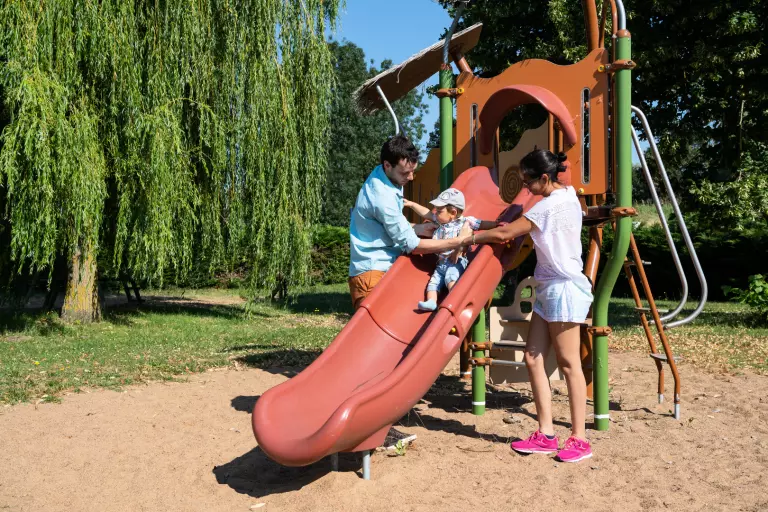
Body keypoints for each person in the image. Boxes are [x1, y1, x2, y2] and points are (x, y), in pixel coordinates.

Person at [458, 149, 594, 463]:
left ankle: (580, 439)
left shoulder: (549, 205)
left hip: (563, 289)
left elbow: (506, 232)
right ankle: (546, 434)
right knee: (533, 358)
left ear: (545, 178)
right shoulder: (568, 195)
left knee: (569, 363)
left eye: (528, 181)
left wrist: (467, 238)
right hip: (548, 288)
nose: (525, 188)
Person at [348, 135, 468, 310]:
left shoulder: (386, 175)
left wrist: (418, 228)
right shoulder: (382, 197)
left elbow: (387, 223)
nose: (411, 177)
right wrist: (459, 241)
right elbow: (413, 246)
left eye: (413, 171)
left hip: (383, 266)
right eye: (405, 173)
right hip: (372, 274)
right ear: (387, 165)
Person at [403, 188, 498, 311]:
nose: (435, 213)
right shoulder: (440, 221)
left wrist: (496, 225)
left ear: (453, 213)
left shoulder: (466, 221)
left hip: (456, 261)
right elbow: (426, 213)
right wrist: (412, 204)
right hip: (440, 264)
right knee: (433, 283)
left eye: (439, 211)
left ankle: (456, 300)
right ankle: (431, 302)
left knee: (451, 278)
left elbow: (482, 224)